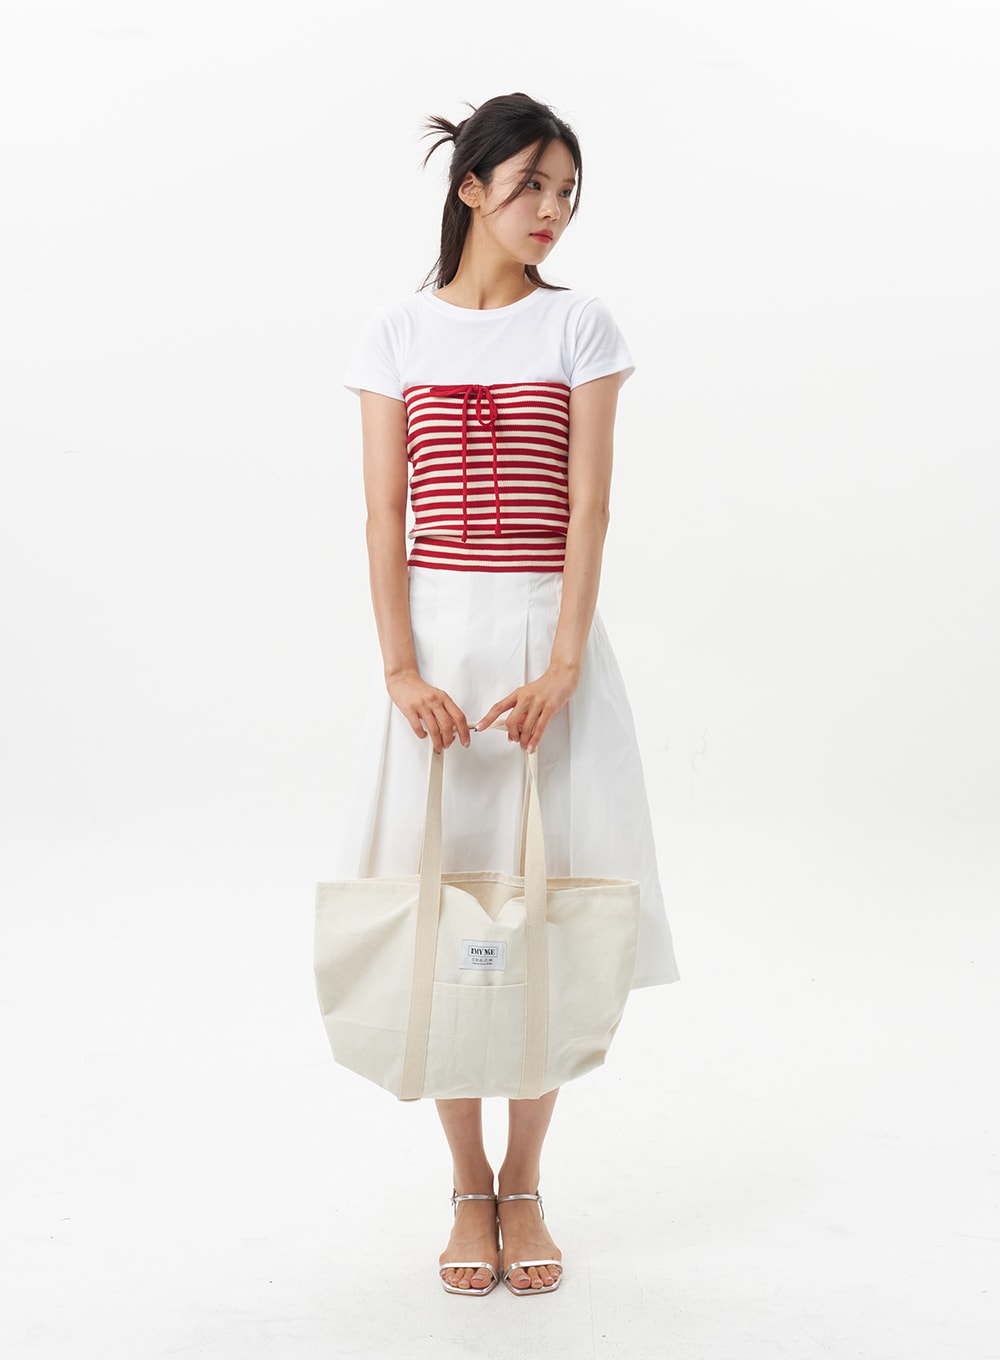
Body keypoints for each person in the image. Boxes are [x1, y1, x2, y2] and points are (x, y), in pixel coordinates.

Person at [337, 91, 680, 1298]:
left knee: (545, 911)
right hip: (436, 647)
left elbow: (589, 508)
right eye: (531, 183)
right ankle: (463, 1184)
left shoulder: (580, 325)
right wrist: (399, 669)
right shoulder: (395, 331)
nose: (552, 210)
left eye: (568, 191)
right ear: (471, 186)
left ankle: (523, 1181)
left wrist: (565, 664)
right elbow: (385, 515)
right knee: (439, 909)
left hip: (545, 642)